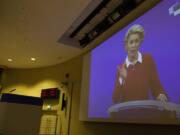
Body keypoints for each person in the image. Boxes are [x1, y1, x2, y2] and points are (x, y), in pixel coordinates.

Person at [112, 24, 168, 103]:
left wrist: (161, 95)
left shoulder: (147, 60)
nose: (134, 45)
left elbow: (156, 86)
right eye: (131, 42)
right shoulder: (121, 68)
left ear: (140, 43)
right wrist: (121, 79)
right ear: (126, 45)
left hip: (145, 112)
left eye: (136, 41)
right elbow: (115, 99)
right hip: (127, 113)